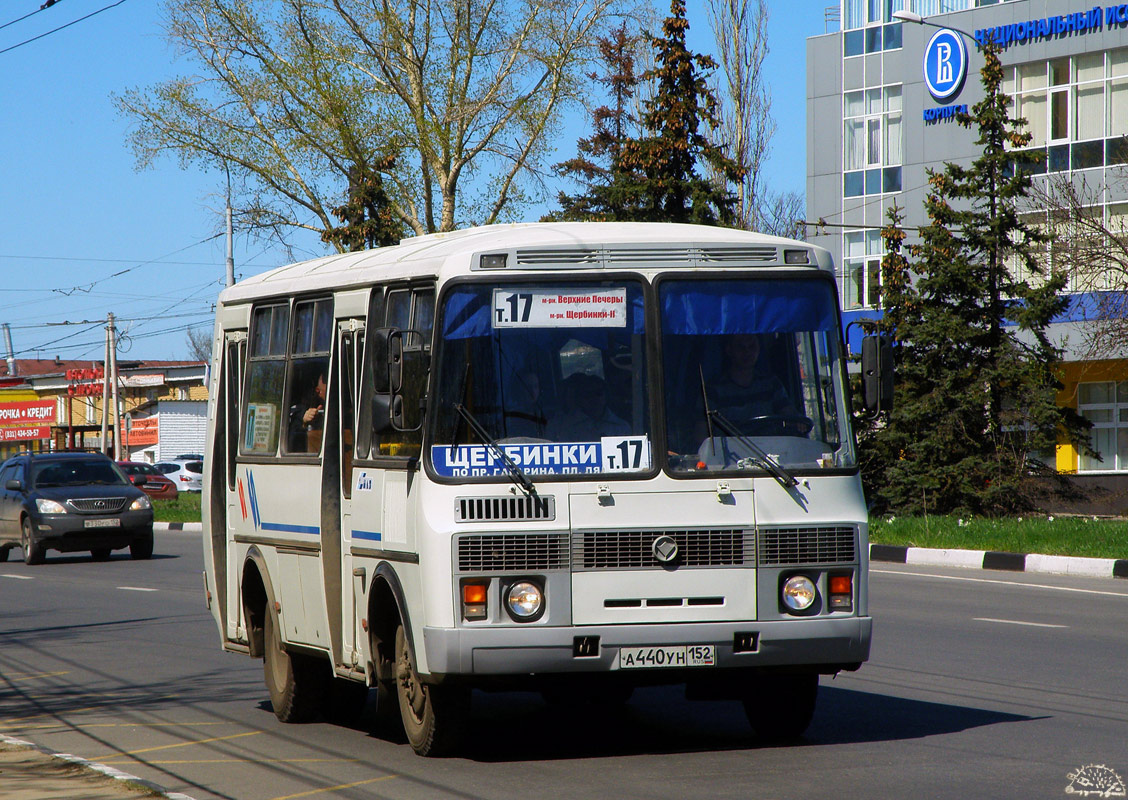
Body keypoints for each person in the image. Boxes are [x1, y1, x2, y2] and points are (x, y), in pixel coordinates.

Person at [706, 334, 804, 435]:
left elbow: (789, 414)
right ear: (729, 350)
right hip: (729, 450)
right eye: (741, 347)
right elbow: (701, 436)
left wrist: (798, 421)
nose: (747, 352)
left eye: (752, 346)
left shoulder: (771, 384)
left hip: (770, 449)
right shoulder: (713, 391)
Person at [548, 373, 629, 441]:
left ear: (606, 396)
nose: (594, 399)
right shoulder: (564, 427)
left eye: (598, 393)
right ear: (579, 398)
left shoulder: (621, 427)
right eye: (588, 394)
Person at [288, 370, 326, 453]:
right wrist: (304, 420)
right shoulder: (296, 410)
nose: (317, 394)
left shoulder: (339, 411)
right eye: (316, 391)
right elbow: (291, 434)